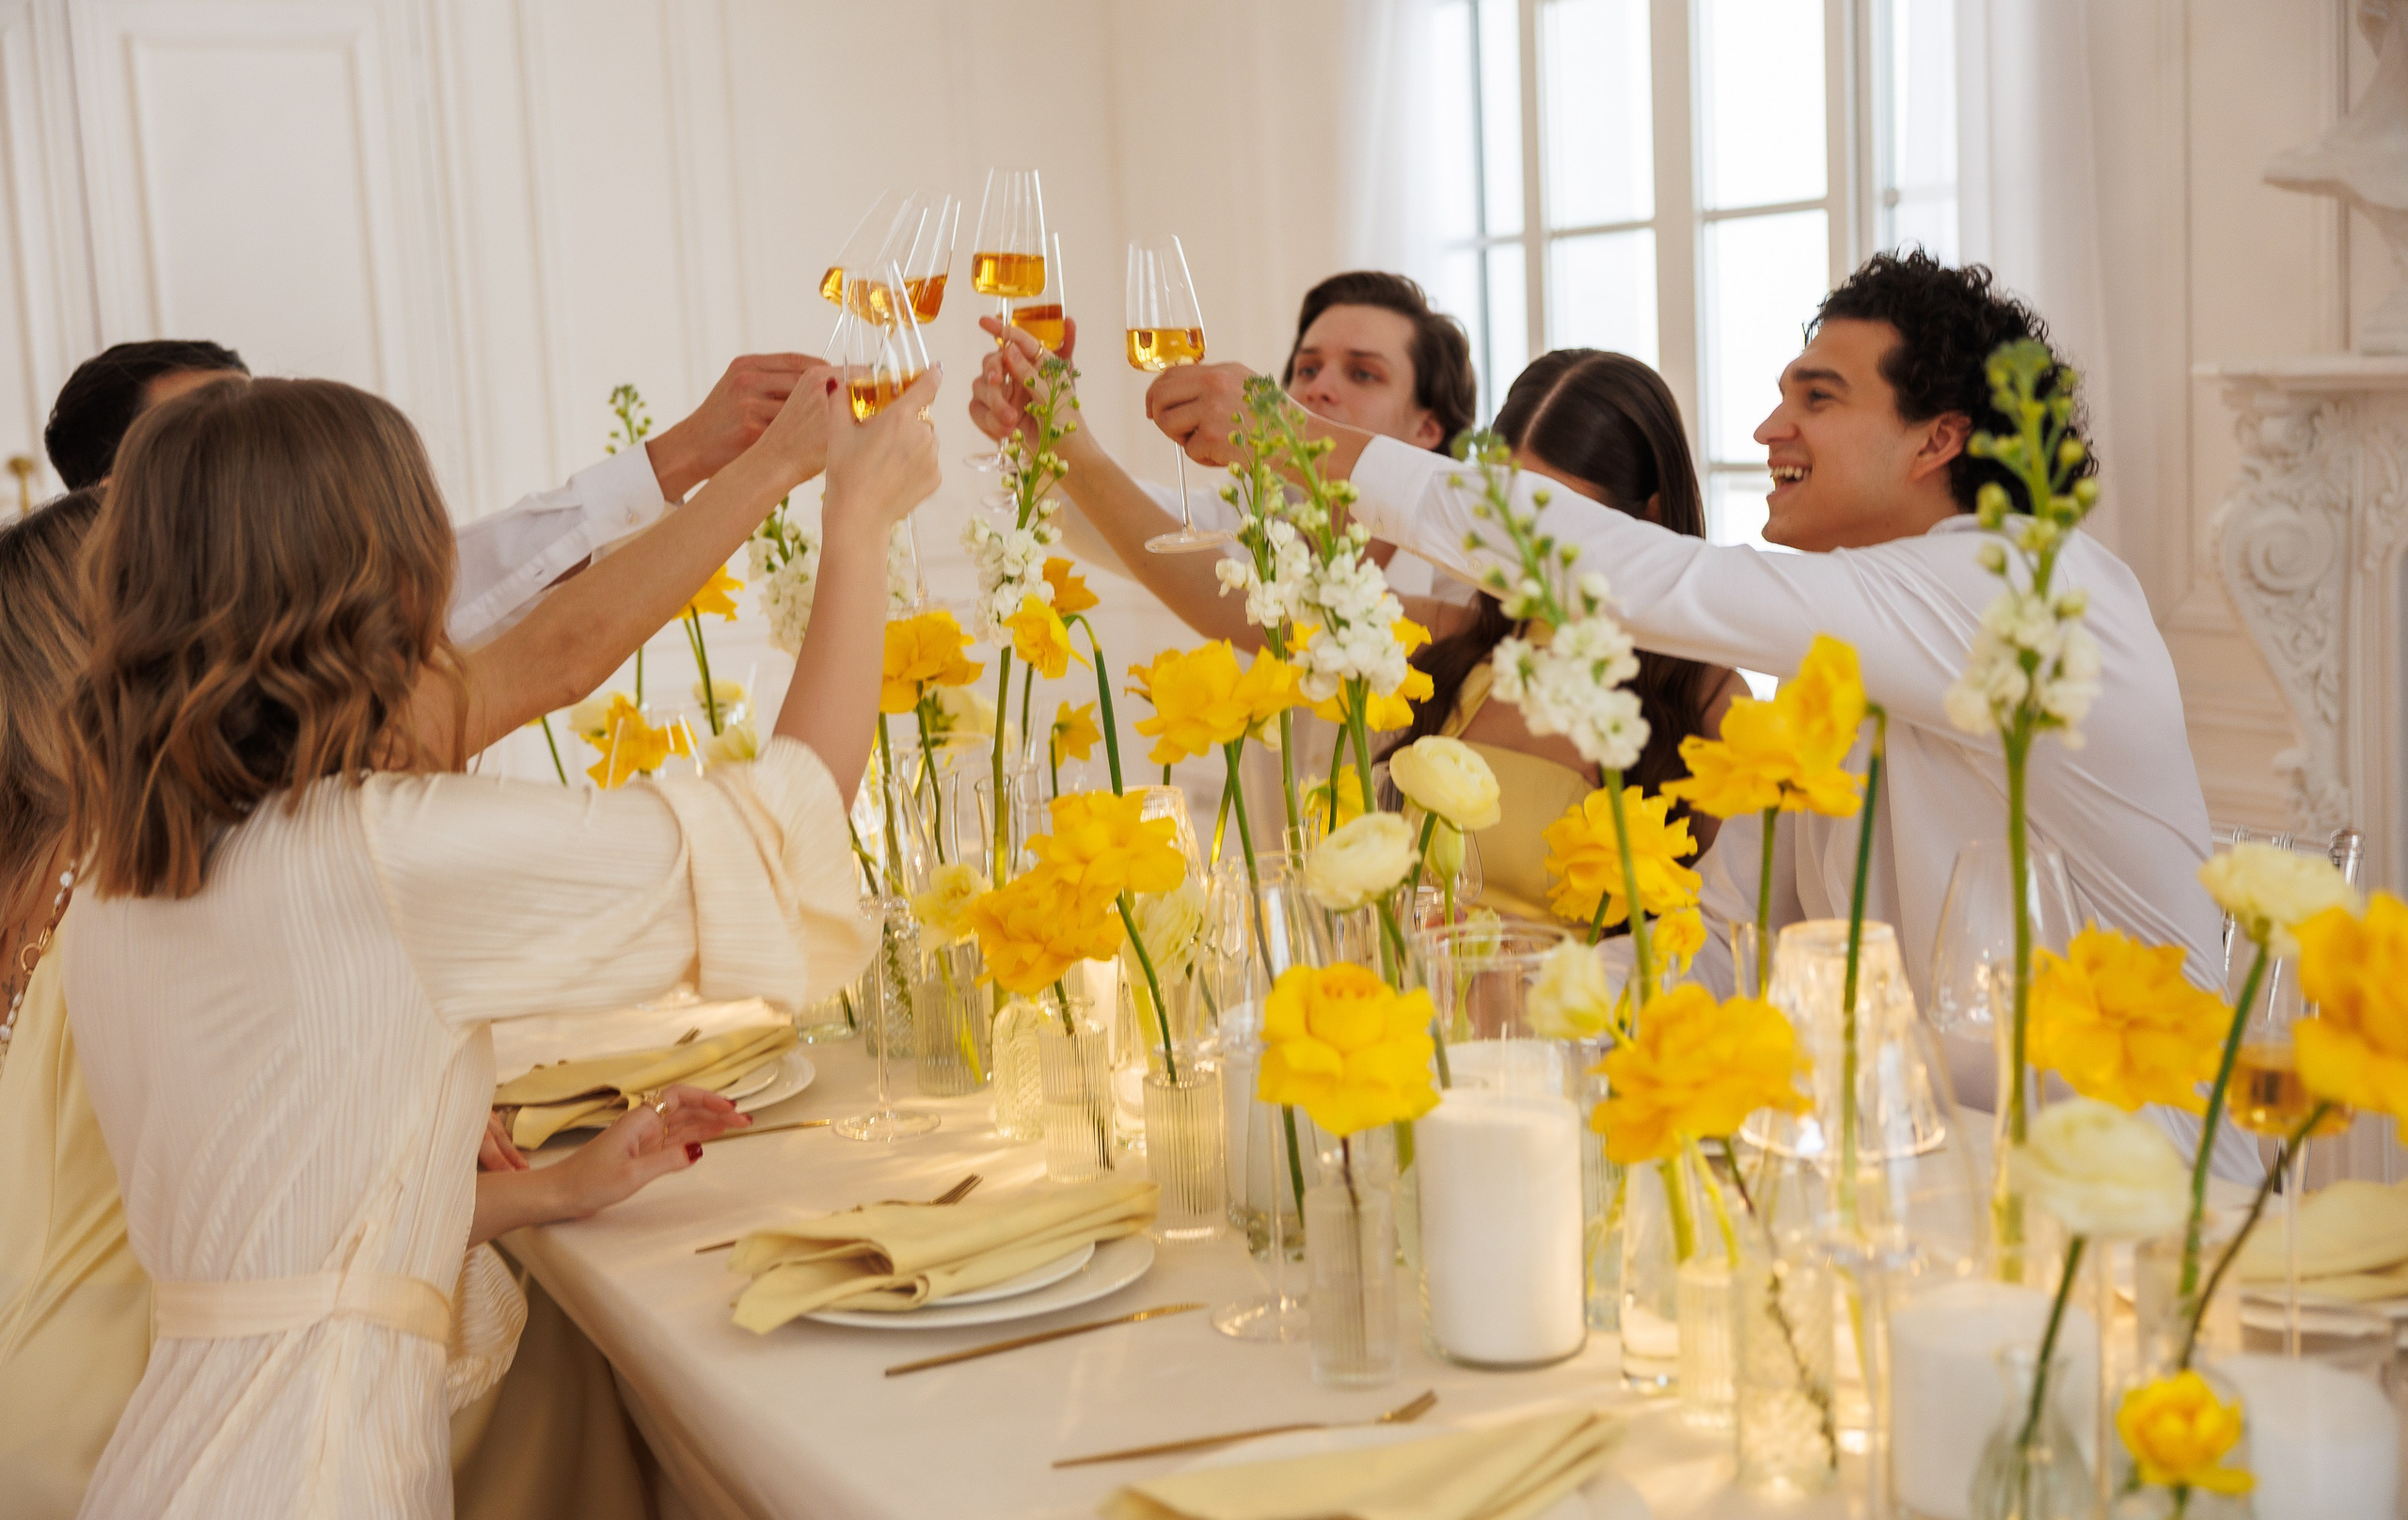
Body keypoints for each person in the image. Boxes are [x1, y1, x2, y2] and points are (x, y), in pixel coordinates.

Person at [1146, 249, 2252, 1173]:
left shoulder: (2030, 592)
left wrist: (1302, 443)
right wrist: (1501, 1001)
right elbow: (1721, 942)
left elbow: (1654, 577)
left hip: (2144, 1189)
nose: (1770, 428)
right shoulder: (1842, 661)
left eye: (1817, 398)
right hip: (1942, 1171)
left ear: (1937, 439)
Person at [56, 364, 935, 1515]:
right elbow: (783, 825)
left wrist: (554, 1191)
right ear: (386, 578)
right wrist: (857, 527)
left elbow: (289, 1226)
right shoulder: (377, 853)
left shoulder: (125, 875)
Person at [42, 337, 819, 644]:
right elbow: (561, 654)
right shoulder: (92, 694)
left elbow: (470, 580)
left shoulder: (325, 619)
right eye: (211, 437)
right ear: (117, 496)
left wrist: (689, 452)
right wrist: (768, 469)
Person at [1379, 351, 1745, 916]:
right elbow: (1282, 611)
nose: (1526, 550)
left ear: (1649, 518)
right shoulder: (1459, 642)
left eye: (1559, 520)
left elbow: (1724, 933)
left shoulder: (1709, 701)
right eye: (1508, 515)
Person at [967, 269, 1477, 644]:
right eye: (1307, 368)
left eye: (1363, 373)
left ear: (1428, 428)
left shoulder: (1466, 562)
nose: (1318, 388)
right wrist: (1042, 437)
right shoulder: (1253, 516)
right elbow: (1106, 523)